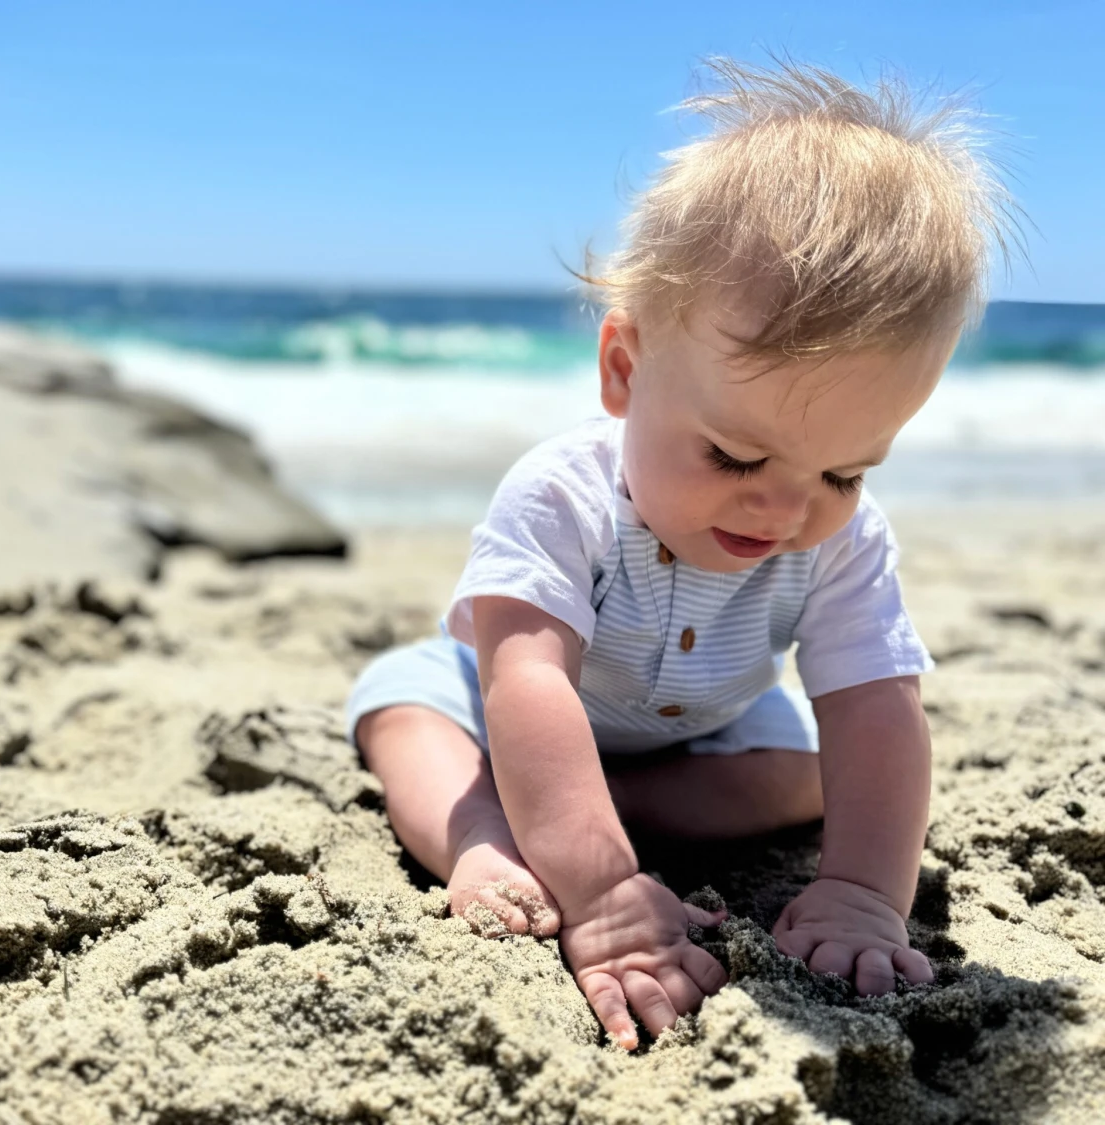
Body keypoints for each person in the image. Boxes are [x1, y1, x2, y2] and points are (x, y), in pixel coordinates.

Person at [345, 56, 1018, 1050]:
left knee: (814, 778)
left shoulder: (842, 544)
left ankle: (596, 807)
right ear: (624, 369)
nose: (788, 506)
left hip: (704, 728)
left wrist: (865, 895)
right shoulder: (562, 495)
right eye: (736, 453)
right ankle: (492, 839)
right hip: (491, 704)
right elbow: (529, 687)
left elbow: (878, 707)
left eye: (846, 472)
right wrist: (609, 894)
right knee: (410, 724)